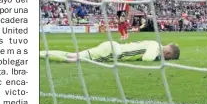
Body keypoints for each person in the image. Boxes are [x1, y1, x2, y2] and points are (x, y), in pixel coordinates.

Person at [40, 40, 180, 63]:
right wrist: (158, 58)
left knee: (74, 56)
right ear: (167, 54)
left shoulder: (154, 43)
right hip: (113, 52)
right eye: (167, 58)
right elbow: (147, 59)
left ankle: (41, 53)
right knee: (73, 58)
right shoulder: (155, 47)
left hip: (112, 48)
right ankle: (40, 54)